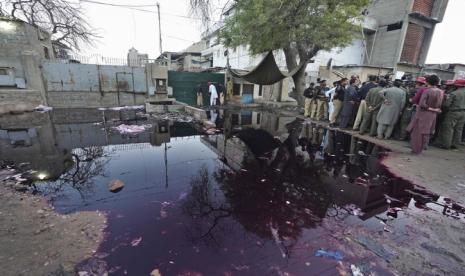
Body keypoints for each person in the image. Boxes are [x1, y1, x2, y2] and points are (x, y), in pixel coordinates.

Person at [406, 75, 444, 154]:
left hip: (423, 114)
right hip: (433, 115)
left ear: (427, 82)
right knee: (426, 132)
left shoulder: (427, 90)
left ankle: (416, 150)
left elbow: (422, 104)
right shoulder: (441, 92)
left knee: (417, 132)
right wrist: (434, 110)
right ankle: (422, 147)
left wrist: (431, 109)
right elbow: (439, 105)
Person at [435, 79, 465, 149]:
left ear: (457, 85)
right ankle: (455, 145)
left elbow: (446, 104)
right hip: (463, 113)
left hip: (453, 112)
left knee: (449, 128)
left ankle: (446, 144)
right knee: (459, 129)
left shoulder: (454, 93)